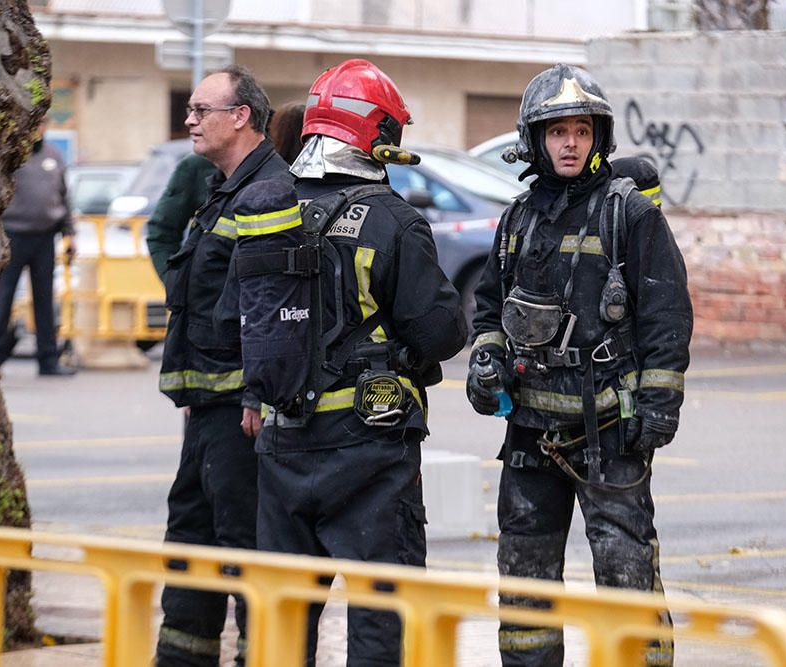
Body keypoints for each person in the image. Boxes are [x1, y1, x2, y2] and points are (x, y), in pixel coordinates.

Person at [466, 64, 692, 666]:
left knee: (625, 576)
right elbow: (487, 307)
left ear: (600, 138)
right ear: (535, 140)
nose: (570, 143)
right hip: (529, 438)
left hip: (609, 436)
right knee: (525, 583)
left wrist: (658, 405)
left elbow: (668, 317)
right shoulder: (518, 219)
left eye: (582, 131)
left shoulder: (631, 216)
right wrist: (485, 359)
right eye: (558, 131)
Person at [244, 59, 468, 664]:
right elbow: (443, 331)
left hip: (283, 443)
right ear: (379, 136)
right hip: (370, 451)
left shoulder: (266, 210)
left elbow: (232, 319)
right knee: (381, 615)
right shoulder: (393, 221)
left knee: (282, 620)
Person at [155, 64, 292, 667]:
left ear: (241, 117)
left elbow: (276, 309)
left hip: (241, 411)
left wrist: (256, 396)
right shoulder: (224, 189)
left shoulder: (268, 191)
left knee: (245, 546)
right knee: (191, 536)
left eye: (200, 110)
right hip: (207, 402)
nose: (189, 120)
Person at [0, 117, 78, 376]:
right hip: (13, 235)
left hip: (45, 237)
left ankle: (48, 360)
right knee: (2, 299)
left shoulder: (53, 155)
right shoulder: (11, 154)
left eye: (44, 123)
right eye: (35, 122)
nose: (39, 128)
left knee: (44, 300)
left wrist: (69, 232)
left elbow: (63, 197)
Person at [146, 152, 216, 285]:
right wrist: (175, 284)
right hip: (209, 300)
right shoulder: (197, 167)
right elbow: (162, 230)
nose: (191, 129)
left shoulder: (265, 164)